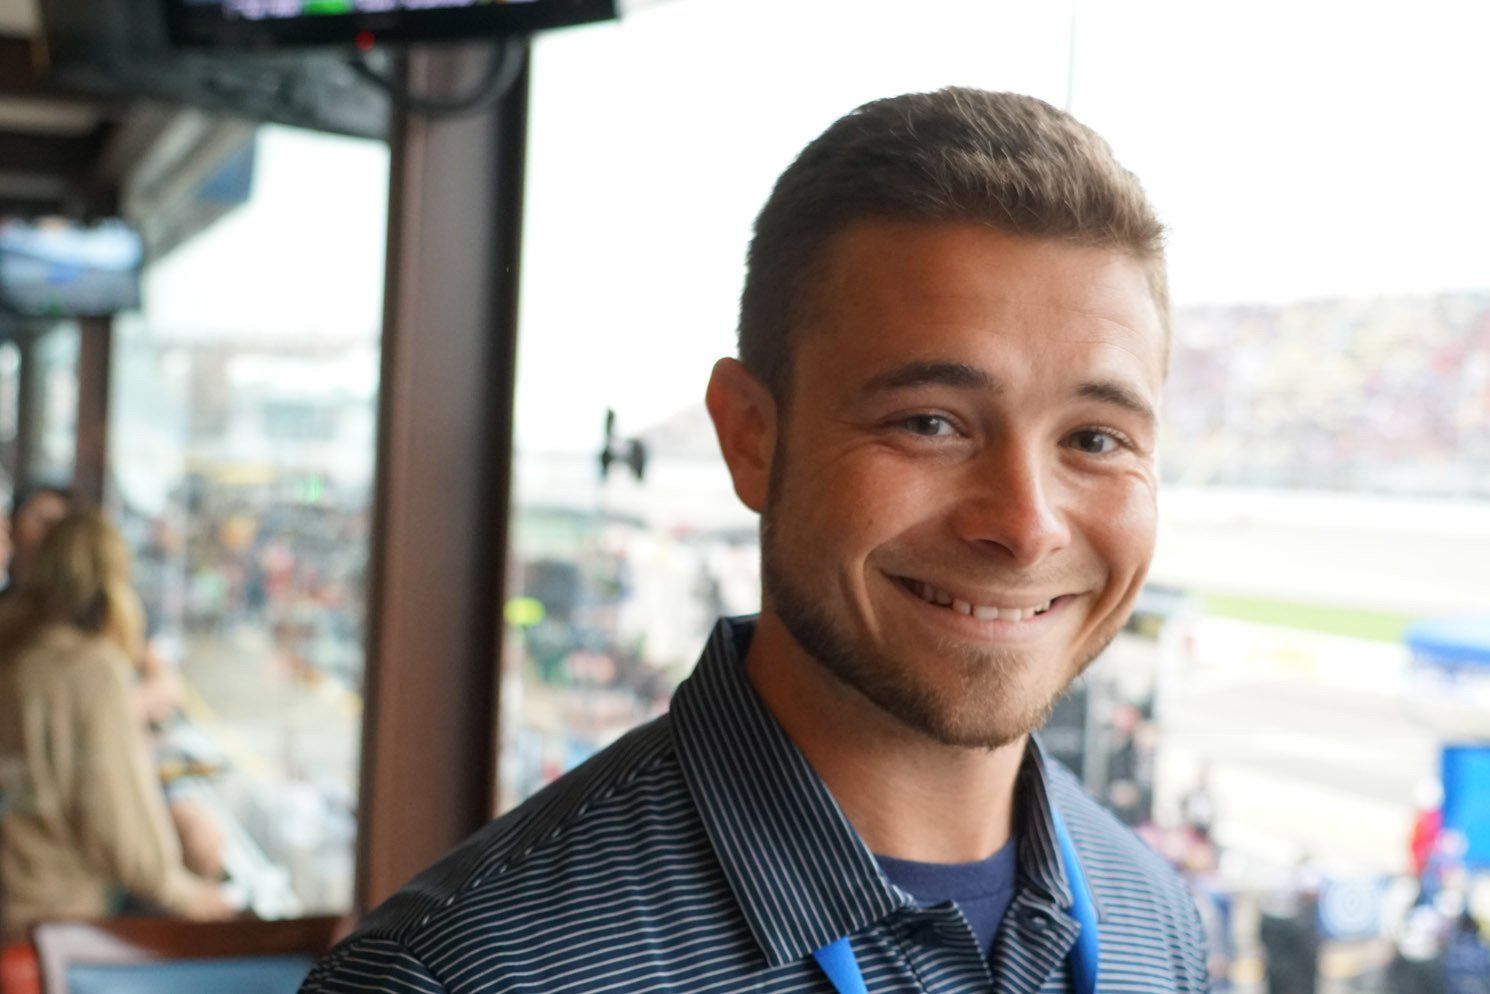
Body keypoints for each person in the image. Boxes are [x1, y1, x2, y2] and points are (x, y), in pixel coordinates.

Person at [303, 87, 1208, 993]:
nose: (1023, 526)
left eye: (1095, 440)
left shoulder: (1153, 921)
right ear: (749, 436)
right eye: (930, 423)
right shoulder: (459, 976)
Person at [0, 510, 233, 934]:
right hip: (58, 915)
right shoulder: (91, 668)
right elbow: (118, 825)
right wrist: (188, 895)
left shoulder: (17, 651)